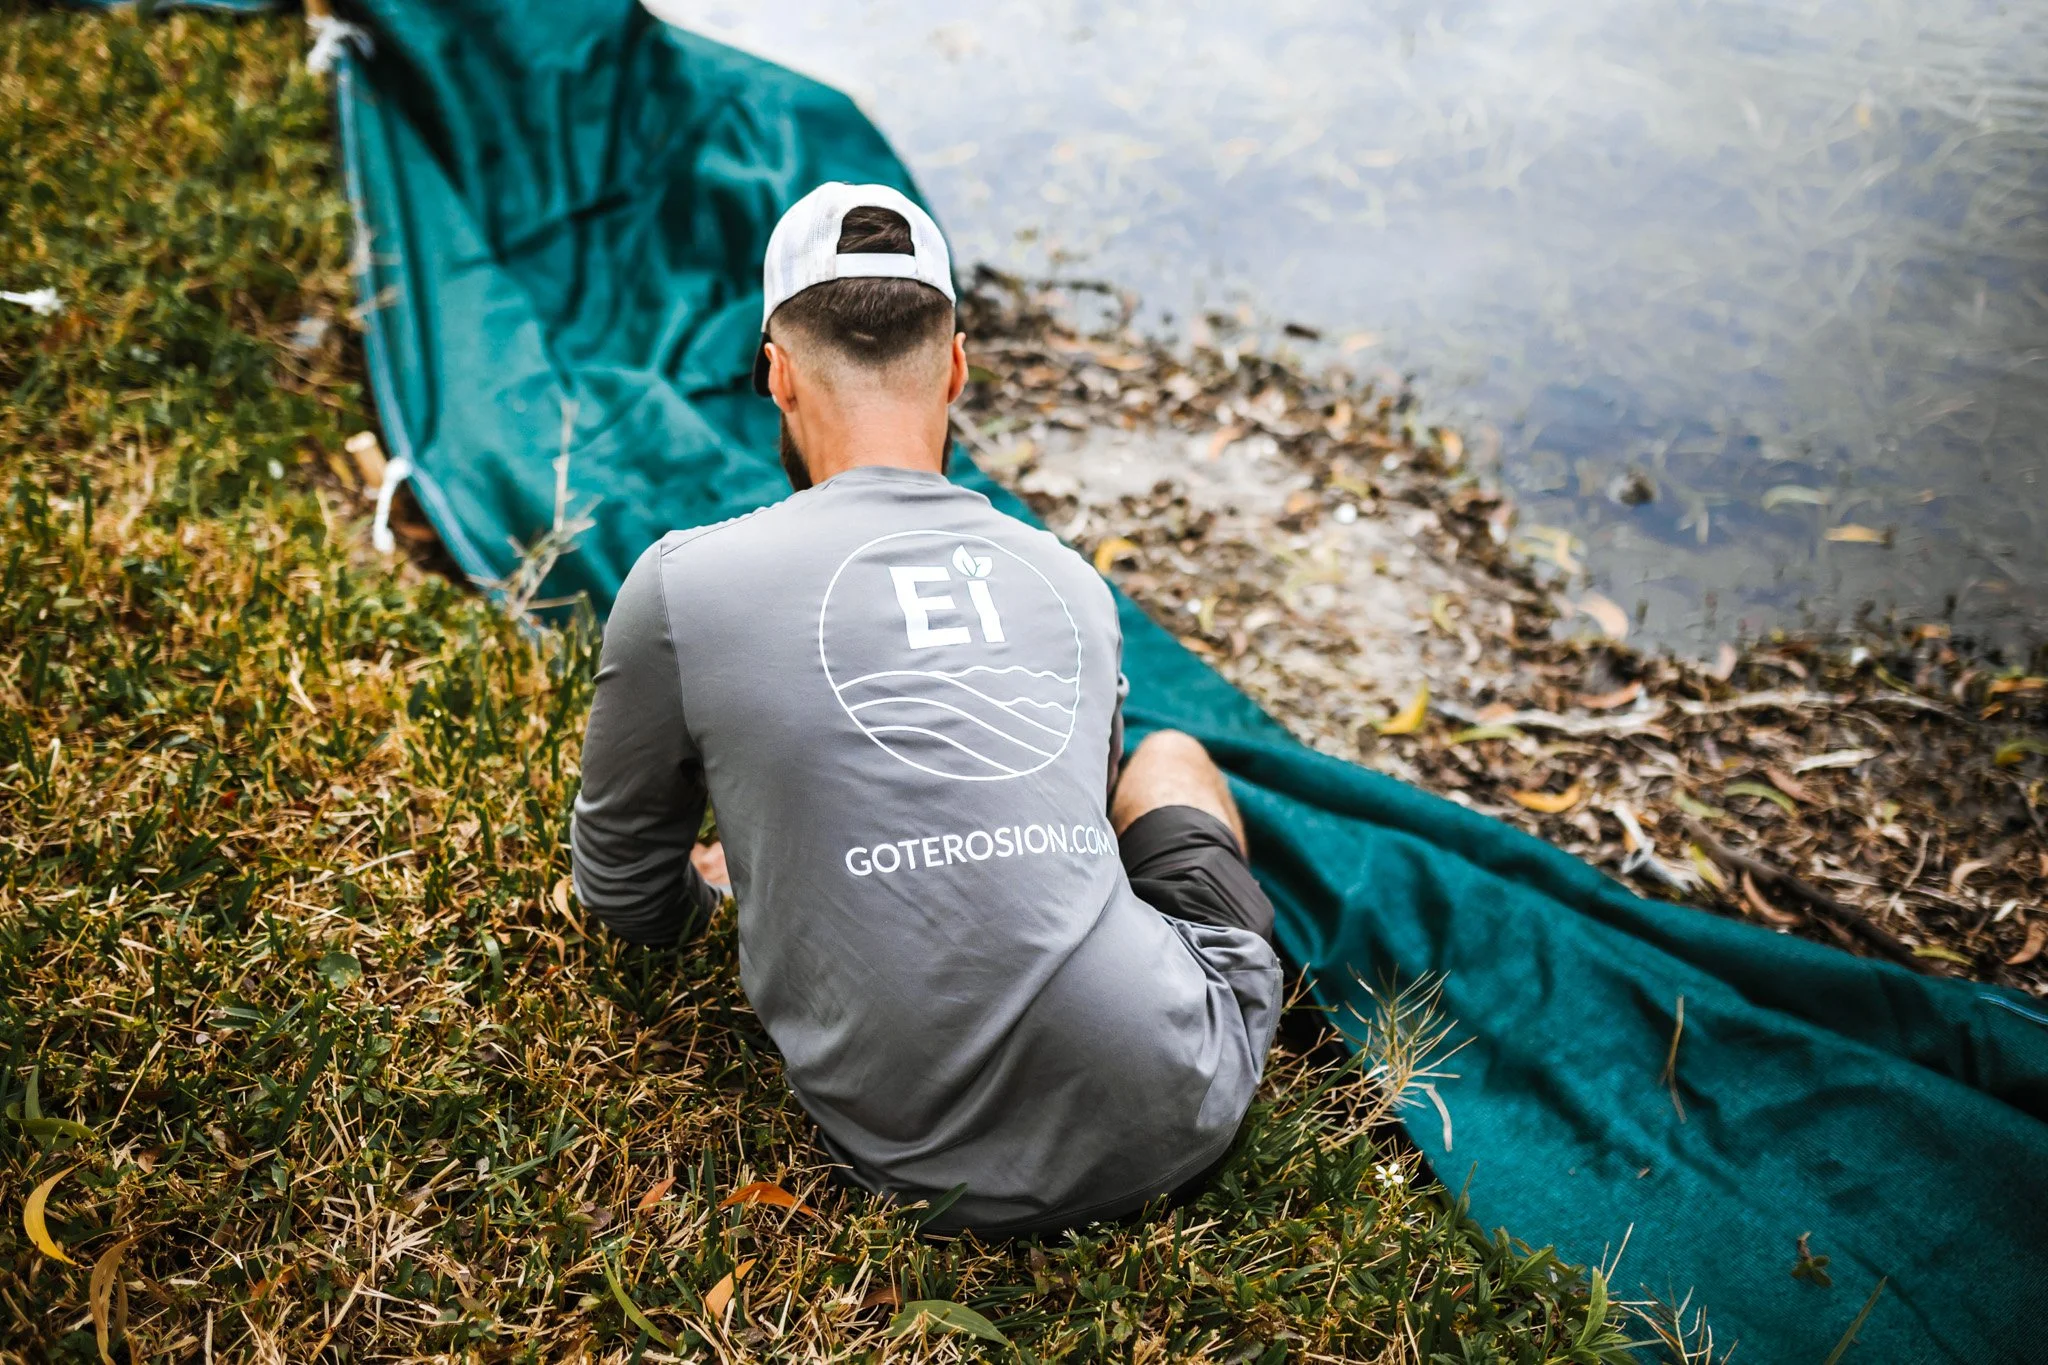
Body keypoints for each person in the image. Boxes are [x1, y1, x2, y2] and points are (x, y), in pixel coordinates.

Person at [570, 182, 1281, 1237]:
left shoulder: (685, 584)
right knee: (1171, 757)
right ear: (953, 367)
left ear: (777, 373)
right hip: (1179, 1105)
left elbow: (624, 895)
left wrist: (722, 896)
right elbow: (1077, 818)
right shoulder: (1067, 580)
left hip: (925, 1169)